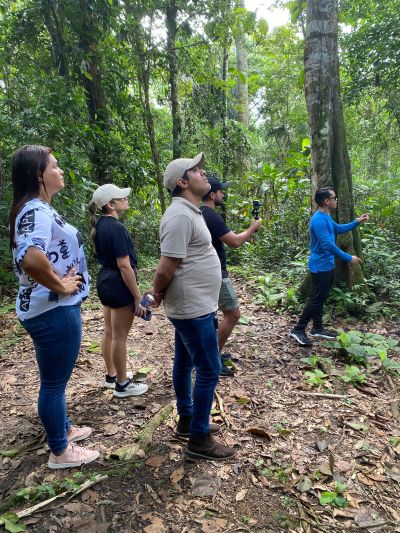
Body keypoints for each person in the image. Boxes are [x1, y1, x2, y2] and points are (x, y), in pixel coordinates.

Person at [9, 144, 99, 469]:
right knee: (53, 383)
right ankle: (60, 451)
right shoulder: (35, 211)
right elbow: (32, 258)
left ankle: (63, 428)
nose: (60, 171)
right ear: (38, 174)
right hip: (52, 311)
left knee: (54, 378)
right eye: (55, 166)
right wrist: (61, 286)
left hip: (48, 309)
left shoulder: (36, 209)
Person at [151, 152, 236, 461]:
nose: (204, 173)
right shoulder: (179, 216)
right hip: (191, 308)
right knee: (210, 369)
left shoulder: (191, 211)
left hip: (196, 304)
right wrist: (156, 293)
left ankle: (187, 419)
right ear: (182, 182)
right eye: (197, 170)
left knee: (186, 362)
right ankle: (199, 439)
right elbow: (165, 267)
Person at [88, 184, 149, 398]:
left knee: (109, 332)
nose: (125, 199)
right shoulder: (117, 228)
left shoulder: (101, 225)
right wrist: (137, 296)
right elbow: (124, 266)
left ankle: (111, 376)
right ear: (111, 204)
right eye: (121, 197)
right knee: (120, 336)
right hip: (118, 282)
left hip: (105, 280)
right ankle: (123, 385)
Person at [290, 187, 369, 346]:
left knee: (321, 297)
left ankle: (317, 328)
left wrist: (357, 221)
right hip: (320, 266)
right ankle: (298, 329)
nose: (336, 200)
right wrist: (348, 258)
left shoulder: (326, 216)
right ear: (327, 201)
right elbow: (327, 245)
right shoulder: (318, 219)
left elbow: (338, 229)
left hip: (327, 265)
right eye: (334, 197)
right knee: (316, 299)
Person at [201, 177, 261, 376]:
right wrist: (252, 228)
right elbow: (234, 241)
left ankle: (211, 353)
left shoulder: (201, 213)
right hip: (216, 272)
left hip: (209, 271)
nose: (223, 195)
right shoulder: (210, 215)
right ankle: (213, 358)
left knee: (212, 316)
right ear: (212, 194)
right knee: (233, 314)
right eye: (221, 191)